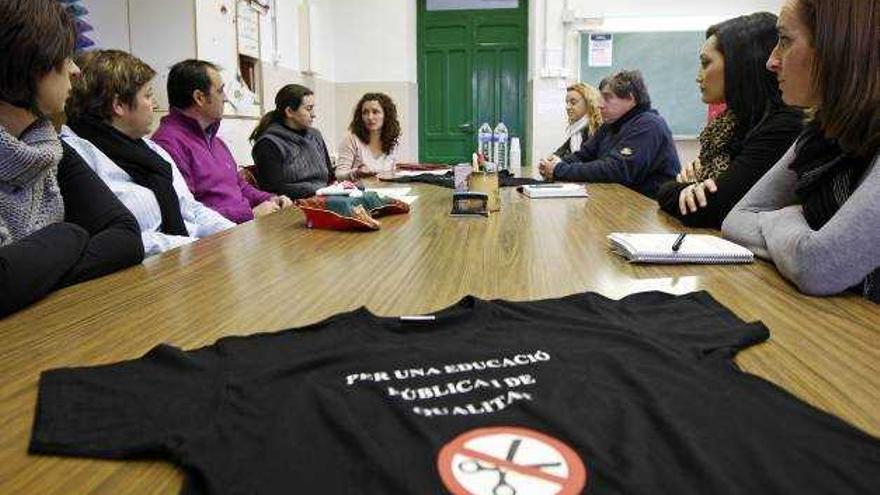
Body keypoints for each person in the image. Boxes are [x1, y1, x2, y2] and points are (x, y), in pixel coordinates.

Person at [722, 0, 880, 301]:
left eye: (784, 40)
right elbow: (736, 219)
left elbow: (820, 267)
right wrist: (800, 235)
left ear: (838, 47)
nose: (771, 61)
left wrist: (781, 217)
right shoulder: (822, 131)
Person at [0, 0, 143, 317]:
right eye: (64, 56)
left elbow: (126, 236)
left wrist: (32, 275)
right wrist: (70, 233)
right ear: (28, 60)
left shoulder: (47, 148)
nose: (76, 70)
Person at [63, 50, 234, 257]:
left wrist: (234, 233)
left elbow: (190, 209)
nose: (155, 105)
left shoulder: (150, 149)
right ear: (118, 105)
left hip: (185, 257)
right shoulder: (75, 154)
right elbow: (119, 239)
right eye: (147, 95)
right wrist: (193, 247)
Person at [655, 13, 803, 228]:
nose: (699, 76)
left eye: (706, 64)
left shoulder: (783, 125)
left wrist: (676, 188)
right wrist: (686, 188)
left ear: (740, 65)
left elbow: (708, 208)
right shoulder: (732, 124)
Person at [152, 60, 291, 223]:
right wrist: (249, 214)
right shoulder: (168, 144)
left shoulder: (216, 141)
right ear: (199, 97)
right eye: (220, 91)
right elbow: (187, 213)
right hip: (215, 240)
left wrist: (270, 199)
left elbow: (240, 186)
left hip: (242, 228)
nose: (225, 98)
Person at [538, 70, 680, 198]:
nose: (600, 104)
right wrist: (556, 163)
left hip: (649, 211)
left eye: (607, 98)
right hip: (621, 202)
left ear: (630, 98)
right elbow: (584, 155)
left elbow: (617, 170)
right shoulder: (610, 124)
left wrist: (559, 170)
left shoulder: (649, 125)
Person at [250, 84, 333, 199]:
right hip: (293, 206)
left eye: (313, 108)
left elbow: (330, 175)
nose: (313, 114)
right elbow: (274, 189)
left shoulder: (315, 135)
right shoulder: (268, 144)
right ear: (289, 112)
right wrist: (317, 191)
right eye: (308, 109)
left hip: (324, 197)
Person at [335, 92, 401, 180]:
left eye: (375, 112)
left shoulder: (392, 141)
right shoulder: (351, 141)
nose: (370, 117)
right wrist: (356, 173)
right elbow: (339, 175)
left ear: (386, 115)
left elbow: (392, 172)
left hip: (386, 190)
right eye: (365, 112)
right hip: (359, 191)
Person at [553, 82, 603, 157]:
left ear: (589, 103)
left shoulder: (597, 130)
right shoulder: (575, 131)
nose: (568, 107)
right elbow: (559, 154)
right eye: (567, 103)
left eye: (573, 102)